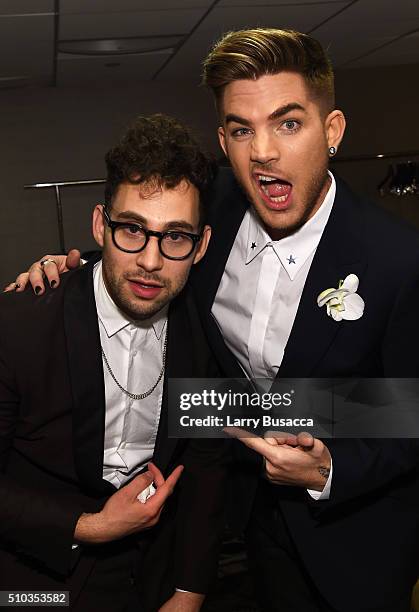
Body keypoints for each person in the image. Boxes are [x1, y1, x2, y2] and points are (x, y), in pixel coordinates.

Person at [12, 28, 419, 612]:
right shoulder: (214, 208)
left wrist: (331, 466)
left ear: (331, 132)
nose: (263, 153)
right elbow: (146, 248)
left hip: (350, 539)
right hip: (237, 515)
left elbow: (408, 407)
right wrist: (70, 269)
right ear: (223, 141)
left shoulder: (400, 261)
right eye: (240, 130)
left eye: (288, 123)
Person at [0, 113, 227, 612]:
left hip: (149, 580)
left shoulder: (206, 334)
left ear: (201, 245)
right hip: (31, 580)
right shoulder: (22, 323)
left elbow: (207, 469)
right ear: (101, 225)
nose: (150, 259)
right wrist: (91, 527)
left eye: (175, 237)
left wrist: (190, 590)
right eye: (132, 229)